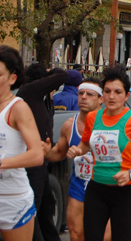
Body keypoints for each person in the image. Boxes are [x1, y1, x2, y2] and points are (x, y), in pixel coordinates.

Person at [67, 64, 131, 241]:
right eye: (108, 91)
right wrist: (77, 150)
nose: (112, 96)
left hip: (125, 193)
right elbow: (86, 145)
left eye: (118, 92)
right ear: (102, 95)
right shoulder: (93, 118)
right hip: (96, 189)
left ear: (126, 95)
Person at [43, 77, 107, 241]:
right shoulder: (69, 125)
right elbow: (59, 153)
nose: (83, 97)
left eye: (89, 94)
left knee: (104, 236)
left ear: (101, 99)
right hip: (79, 184)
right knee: (76, 233)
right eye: (81, 93)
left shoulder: (110, 124)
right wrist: (45, 151)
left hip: (104, 185)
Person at [17, 63, 68, 241]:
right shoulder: (30, 91)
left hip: (43, 159)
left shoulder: (43, 99)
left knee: (47, 205)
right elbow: (62, 75)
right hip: (32, 160)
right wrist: (50, 72)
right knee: (34, 207)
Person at [0, 45, 44, 241]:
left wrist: (2, 164)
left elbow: (36, 155)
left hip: (13, 199)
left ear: (12, 78)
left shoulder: (17, 108)